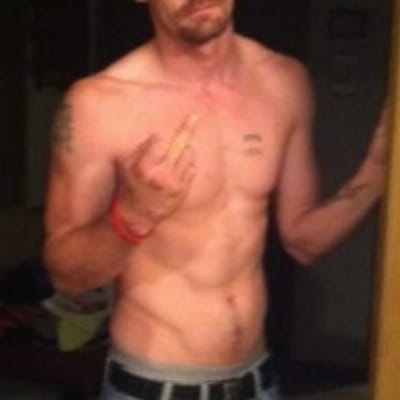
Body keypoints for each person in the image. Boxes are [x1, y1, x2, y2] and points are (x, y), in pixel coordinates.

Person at [43, 0, 389, 399]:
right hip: (151, 388)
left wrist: (380, 167)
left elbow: (304, 241)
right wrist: (135, 215)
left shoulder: (284, 80)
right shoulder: (99, 104)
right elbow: (68, 277)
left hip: (257, 383)